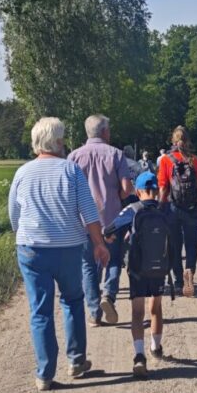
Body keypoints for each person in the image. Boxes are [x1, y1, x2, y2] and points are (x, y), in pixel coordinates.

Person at [9, 117, 110, 391]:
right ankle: (76, 361)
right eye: (63, 138)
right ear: (57, 142)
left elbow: (14, 216)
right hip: (67, 248)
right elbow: (89, 212)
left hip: (31, 249)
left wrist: (25, 235)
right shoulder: (71, 170)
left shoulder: (22, 173)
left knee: (40, 311)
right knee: (73, 301)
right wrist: (99, 244)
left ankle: (44, 373)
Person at [68, 114, 134, 326]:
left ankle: (94, 311)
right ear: (105, 132)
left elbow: (69, 193)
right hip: (112, 220)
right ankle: (109, 295)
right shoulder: (116, 154)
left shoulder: (73, 157)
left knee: (87, 265)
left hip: (84, 222)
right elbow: (126, 190)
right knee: (114, 260)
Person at [103, 171, 171, 378]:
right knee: (156, 308)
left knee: (137, 312)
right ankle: (155, 347)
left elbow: (109, 230)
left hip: (137, 268)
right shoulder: (165, 211)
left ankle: (139, 355)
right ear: (157, 190)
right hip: (159, 267)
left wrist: (112, 237)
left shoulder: (132, 210)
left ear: (139, 191)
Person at [158, 126, 197, 297]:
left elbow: (163, 186)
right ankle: (189, 270)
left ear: (173, 140)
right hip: (191, 209)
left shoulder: (165, 160)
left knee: (175, 245)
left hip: (173, 208)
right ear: (187, 140)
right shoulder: (194, 159)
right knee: (192, 243)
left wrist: (160, 207)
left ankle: (178, 280)